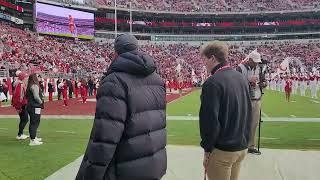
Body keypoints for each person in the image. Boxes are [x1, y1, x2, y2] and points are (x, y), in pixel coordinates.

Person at [76, 34, 167, 180]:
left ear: (115, 52)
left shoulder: (114, 81)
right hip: (154, 165)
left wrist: (90, 175)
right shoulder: (158, 79)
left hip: (125, 169)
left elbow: (105, 137)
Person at [200, 41, 252, 180]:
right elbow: (249, 112)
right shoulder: (241, 78)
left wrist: (207, 148)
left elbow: (210, 121)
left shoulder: (212, 82)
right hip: (241, 146)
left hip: (223, 149)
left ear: (212, 58)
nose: (203, 63)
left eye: (204, 59)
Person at [236, 50, 265, 155]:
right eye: (255, 61)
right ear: (250, 60)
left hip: (256, 98)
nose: (257, 63)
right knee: (242, 122)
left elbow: (263, 81)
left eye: (258, 61)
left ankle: (250, 145)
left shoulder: (259, 68)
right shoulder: (240, 68)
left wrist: (263, 83)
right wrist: (248, 81)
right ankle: (239, 143)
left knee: (254, 123)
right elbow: (236, 83)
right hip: (244, 99)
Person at [26, 73, 44, 146]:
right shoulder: (34, 85)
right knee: (35, 122)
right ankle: (32, 140)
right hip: (35, 106)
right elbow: (36, 97)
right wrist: (41, 102)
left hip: (31, 106)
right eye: (37, 76)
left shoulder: (30, 85)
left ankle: (34, 137)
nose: (39, 77)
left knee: (34, 122)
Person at [12, 72, 29, 140]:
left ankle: (20, 133)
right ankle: (20, 134)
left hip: (21, 104)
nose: (26, 78)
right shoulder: (20, 84)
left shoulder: (19, 83)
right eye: (25, 77)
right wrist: (19, 106)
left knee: (23, 119)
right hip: (21, 104)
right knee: (25, 119)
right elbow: (18, 96)